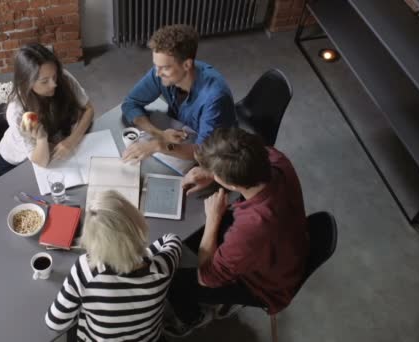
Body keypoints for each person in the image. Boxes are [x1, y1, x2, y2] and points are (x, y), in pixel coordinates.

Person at [164, 128, 309, 338]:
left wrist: (213, 218)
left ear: (231, 184)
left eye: (216, 175)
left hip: (265, 285)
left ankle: (192, 318)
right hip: (284, 245)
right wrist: (210, 172)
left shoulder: (253, 228)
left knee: (174, 280)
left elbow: (207, 276)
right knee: (199, 234)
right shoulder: (275, 158)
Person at [45, 190, 182, 341]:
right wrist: (141, 253)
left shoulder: (87, 270)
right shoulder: (163, 268)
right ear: (136, 222)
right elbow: (172, 239)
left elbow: (55, 322)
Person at [121, 24, 235, 163]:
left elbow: (204, 153)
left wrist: (158, 145)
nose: (157, 73)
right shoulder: (160, 74)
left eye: (164, 67)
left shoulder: (215, 98)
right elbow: (130, 104)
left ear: (187, 65)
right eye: (156, 65)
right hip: (183, 133)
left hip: (219, 154)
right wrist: (159, 134)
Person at [0, 43, 94, 174]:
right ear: (27, 82)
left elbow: (88, 109)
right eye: (44, 81)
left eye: (54, 76)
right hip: (18, 162)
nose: (54, 84)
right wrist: (41, 138)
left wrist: (72, 141)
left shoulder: (62, 78)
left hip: (53, 146)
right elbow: (40, 162)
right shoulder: (18, 111)